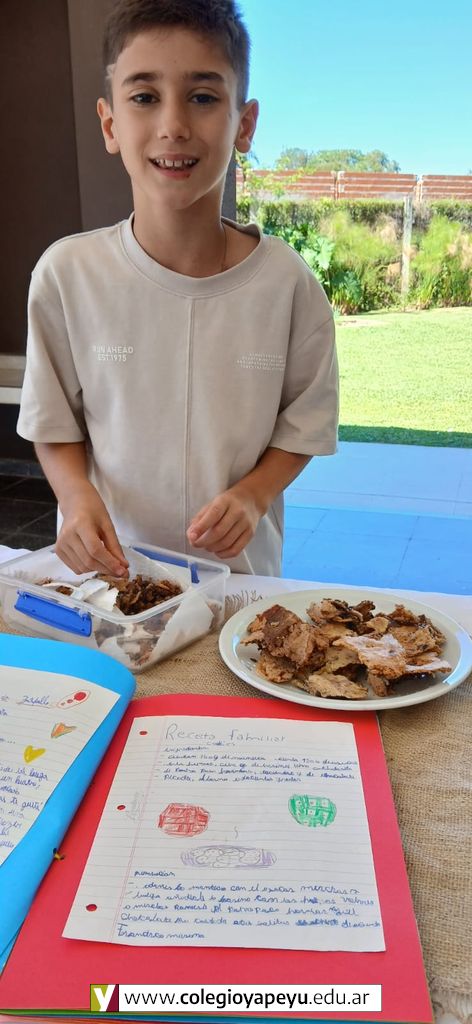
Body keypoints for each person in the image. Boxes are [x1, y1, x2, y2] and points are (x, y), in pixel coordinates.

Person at [17, 0, 338, 578]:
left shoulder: (287, 283)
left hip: (240, 588)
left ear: (244, 125)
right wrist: (75, 497)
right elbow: (52, 420)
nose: (173, 125)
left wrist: (255, 494)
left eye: (203, 97)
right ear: (110, 124)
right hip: (107, 582)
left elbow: (305, 423)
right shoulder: (67, 274)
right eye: (145, 97)